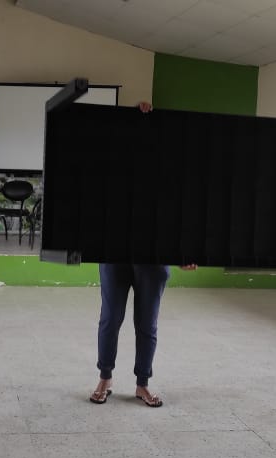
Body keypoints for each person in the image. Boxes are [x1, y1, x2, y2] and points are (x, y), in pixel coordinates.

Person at [89, 101, 197, 408]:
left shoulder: (170, 173)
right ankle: (105, 378)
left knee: (147, 324)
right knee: (110, 319)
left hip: (153, 256)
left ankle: (142, 384)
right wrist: (132, 117)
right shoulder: (114, 166)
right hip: (115, 252)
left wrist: (183, 252)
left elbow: (181, 214)